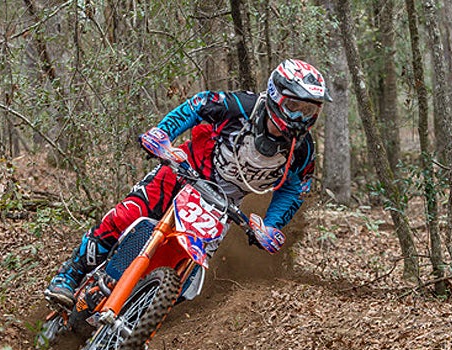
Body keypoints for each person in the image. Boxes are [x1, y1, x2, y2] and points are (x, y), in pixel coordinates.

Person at [44, 59, 332, 308]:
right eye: (293, 106)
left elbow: (294, 189)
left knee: (188, 272)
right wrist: (163, 133)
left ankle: (135, 323)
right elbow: (199, 104)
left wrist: (271, 226)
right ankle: (69, 275)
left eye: (309, 111)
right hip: (183, 174)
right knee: (128, 215)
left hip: (221, 206)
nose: (300, 117)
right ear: (274, 96)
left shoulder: (302, 150)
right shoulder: (242, 108)